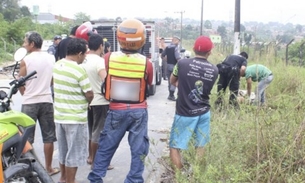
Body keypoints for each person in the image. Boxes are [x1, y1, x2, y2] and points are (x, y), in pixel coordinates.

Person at [88, 18, 153, 183]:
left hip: (116, 109)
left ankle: (96, 178)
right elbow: (149, 84)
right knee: (139, 150)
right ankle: (134, 179)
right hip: (139, 111)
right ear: (142, 39)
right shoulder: (147, 63)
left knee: (106, 147)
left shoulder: (108, 58)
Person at [168, 36, 218, 170]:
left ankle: (180, 177)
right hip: (204, 113)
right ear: (210, 52)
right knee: (200, 145)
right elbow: (206, 89)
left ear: (194, 49)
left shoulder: (182, 64)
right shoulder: (214, 70)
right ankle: (196, 175)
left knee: (175, 145)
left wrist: (183, 86)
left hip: (184, 113)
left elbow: (172, 80)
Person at [18, 31, 59, 176]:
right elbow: (52, 80)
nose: (24, 45)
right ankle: (49, 168)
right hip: (47, 100)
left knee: (26, 138)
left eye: (25, 42)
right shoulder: (51, 58)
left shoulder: (26, 60)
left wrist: (26, 94)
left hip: (30, 102)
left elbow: (20, 82)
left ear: (32, 44)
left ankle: (28, 170)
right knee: (49, 137)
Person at [53, 38, 93, 183]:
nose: (84, 58)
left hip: (60, 116)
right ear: (79, 53)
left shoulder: (57, 65)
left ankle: (63, 178)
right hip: (75, 118)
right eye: (84, 55)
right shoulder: (79, 69)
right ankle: (71, 181)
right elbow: (89, 93)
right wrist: (89, 100)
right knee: (74, 153)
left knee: (63, 151)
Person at [81, 34, 113, 170]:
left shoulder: (83, 59)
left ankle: (90, 157)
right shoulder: (99, 61)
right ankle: (95, 162)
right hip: (99, 101)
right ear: (101, 46)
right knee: (98, 132)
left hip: (86, 101)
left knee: (91, 130)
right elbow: (106, 80)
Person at [161, 36, 181, 101]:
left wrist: (165, 59)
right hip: (174, 67)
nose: (178, 42)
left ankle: (170, 94)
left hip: (168, 66)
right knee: (174, 81)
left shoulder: (167, 47)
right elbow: (178, 58)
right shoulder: (175, 48)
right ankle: (171, 95)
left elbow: (162, 55)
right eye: (178, 41)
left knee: (170, 81)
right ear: (175, 41)